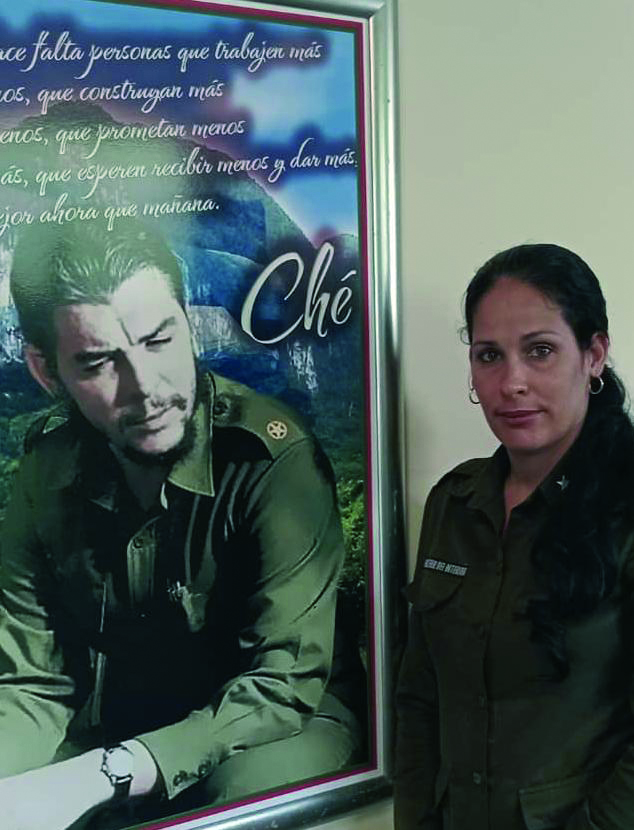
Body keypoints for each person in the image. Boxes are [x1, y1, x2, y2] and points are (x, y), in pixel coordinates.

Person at [0, 219, 363, 830]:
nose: (146, 388)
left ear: (187, 325)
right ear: (46, 372)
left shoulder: (271, 458)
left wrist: (112, 771)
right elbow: (33, 682)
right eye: (99, 362)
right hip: (128, 720)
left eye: (159, 341)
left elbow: (282, 683)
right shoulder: (47, 466)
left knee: (243, 794)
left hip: (278, 718)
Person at [394, 243, 634, 830]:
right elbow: (420, 701)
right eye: (489, 355)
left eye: (540, 351)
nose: (512, 382)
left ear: (594, 355)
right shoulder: (455, 503)